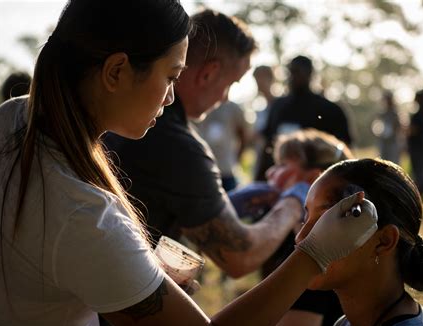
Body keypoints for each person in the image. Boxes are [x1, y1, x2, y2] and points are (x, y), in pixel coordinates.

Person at [0, 0, 380, 326]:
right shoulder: (84, 215)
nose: (168, 98)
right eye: (170, 77)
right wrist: (314, 253)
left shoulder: (13, 118)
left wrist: (135, 278)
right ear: (116, 72)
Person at [104, 10, 306, 279]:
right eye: (231, 84)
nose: (225, 98)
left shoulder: (119, 115)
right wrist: (293, 203)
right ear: (209, 73)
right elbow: (241, 256)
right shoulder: (176, 144)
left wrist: (224, 206)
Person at [295, 158, 423, 326]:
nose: (301, 237)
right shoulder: (344, 325)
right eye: (305, 218)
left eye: (324, 221)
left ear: (384, 241)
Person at [229, 128, 354, 326]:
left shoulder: (313, 258)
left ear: (313, 179)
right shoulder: (330, 240)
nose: (270, 172)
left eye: (282, 165)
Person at [255, 55, 352, 181]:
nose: (293, 77)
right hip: (283, 180)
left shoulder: (329, 110)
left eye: (297, 72)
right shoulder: (278, 107)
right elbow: (268, 145)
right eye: (290, 72)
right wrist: (260, 179)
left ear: (310, 74)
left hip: (318, 180)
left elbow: (343, 149)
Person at [195, 100, 251, 191]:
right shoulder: (198, 103)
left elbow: (244, 136)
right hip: (202, 170)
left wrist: (236, 159)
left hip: (226, 170)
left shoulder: (233, 108)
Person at [372, 91, 403, 164]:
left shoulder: (395, 114)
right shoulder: (381, 114)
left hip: (393, 142)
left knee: (394, 163)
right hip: (383, 142)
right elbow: (376, 127)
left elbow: (398, 128)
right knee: (382, 163)